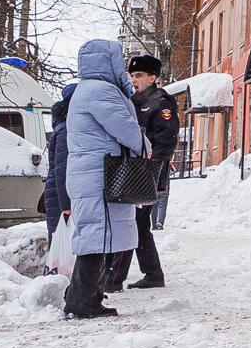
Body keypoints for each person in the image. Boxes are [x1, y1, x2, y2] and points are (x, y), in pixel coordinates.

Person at [62, 38, 146, 320]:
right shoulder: (101, 92)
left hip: (91, 173)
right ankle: (83, 302)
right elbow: (126, 129)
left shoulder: (85, 90)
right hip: (100, 176)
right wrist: (146, 147)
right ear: (108, 61)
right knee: (96, 238)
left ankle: (82, 297)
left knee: (95, 237)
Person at [105, 54, 178, 292]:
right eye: (132, 76)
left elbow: (166, 141)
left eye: (138, 76)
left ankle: (115, 278)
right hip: (130, 171)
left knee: (132, 222)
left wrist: (151, 169)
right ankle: (153, 273)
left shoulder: (161, 103)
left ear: (152, 77)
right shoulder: (132, 101)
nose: (134, 80)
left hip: (146, 175)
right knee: (139, 224)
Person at [41, 83, 75, 240]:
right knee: (61, 243)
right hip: (59, 195)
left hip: (56, 193)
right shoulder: (66, 130)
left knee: (60, 242)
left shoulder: (62, 126)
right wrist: (66, 204)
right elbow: (62, 168)